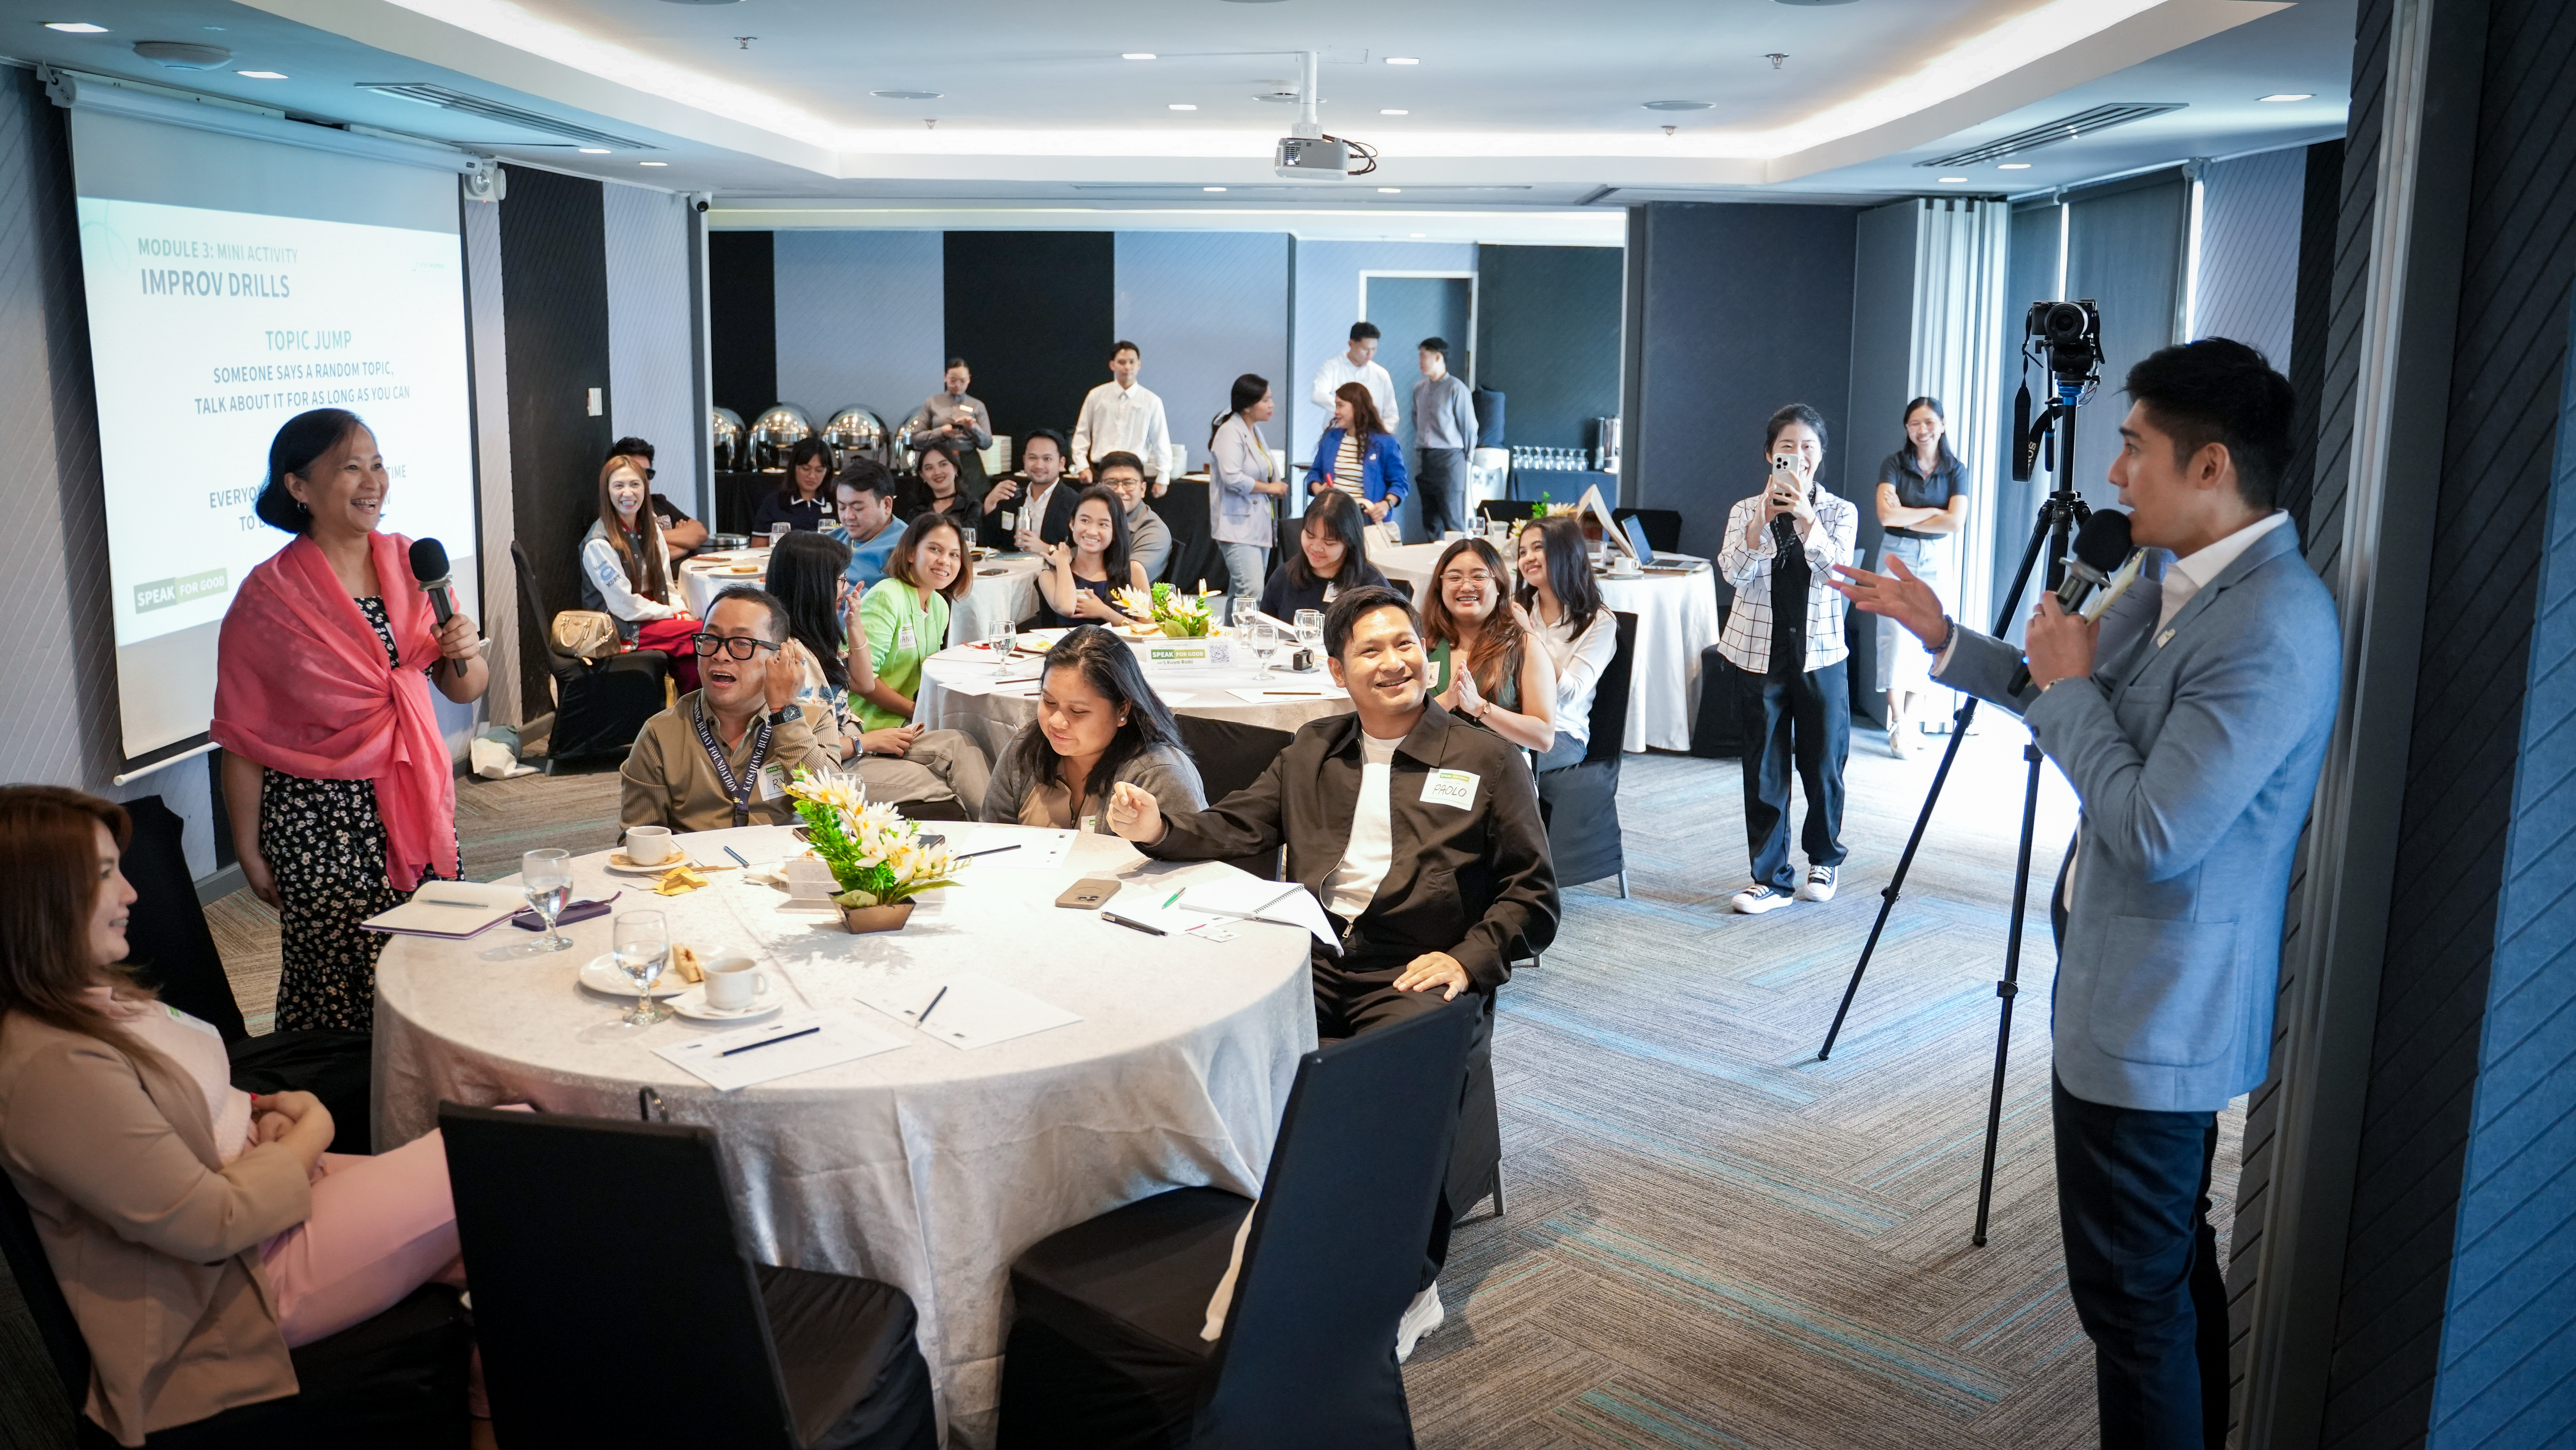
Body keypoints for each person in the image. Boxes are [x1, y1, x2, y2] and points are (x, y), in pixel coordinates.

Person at [1831, 338, 2339, 1450]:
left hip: (2155, 1017)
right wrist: (1939, 635)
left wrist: (2064, 689)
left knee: (2128, 1301)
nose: (2110, 477)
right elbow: (2058, 684)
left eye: (2131, 448)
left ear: (2209, 466)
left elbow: (2154, 831)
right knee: (2159, 1274)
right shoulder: (2171, 582)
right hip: (2119, 988)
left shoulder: (2268, 625)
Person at [1104, 586, 1557, 1360]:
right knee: (1213, 1043)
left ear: (1429, 651)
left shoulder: (1483, 756)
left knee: (1390, 1106)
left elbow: (1535, 893)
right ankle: (1264, 1244)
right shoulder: (1313, 748)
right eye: (1372, 651)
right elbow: (1236, 824)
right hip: (1314, 955)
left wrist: (1465, 958)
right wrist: (1160, 829)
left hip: (1420, 969)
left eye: (1406, 643)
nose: (1395, 662)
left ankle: (1413, 1285)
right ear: (1339, 669)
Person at [0, 786, 488, 1448]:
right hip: (231, 1287)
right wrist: (311, 1121)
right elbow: (211, 1222)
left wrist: (260, 1110)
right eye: (105, 873)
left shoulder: (86, 997)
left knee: (514, 1227)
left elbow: (180, 1094)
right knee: (509, 1168)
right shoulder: (49, 1067)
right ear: (37, 901)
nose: (132, 894)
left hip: (267, 1201)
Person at [212, 409, 489, 1034]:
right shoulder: (269, 596)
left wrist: (462, 650)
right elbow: (244, 739)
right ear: (299, 487)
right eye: (350, 466)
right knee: (339, 980)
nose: (373, 480)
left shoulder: (411, 564)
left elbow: (464, 687)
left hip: (412, 800)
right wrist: (249, 849)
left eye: (378, 462)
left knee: (432, 958)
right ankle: (339, 1112)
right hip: (317, 817)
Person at [1715, 403, 1859, 914]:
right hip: (1757, 654)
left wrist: (1805, 519)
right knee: (1763, 769)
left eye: (1808, 448)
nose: (1798, 456)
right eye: (1787, 448)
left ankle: (1824, 858)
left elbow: (1837, 571)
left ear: (1820, 456)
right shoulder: (1744, 511)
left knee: (1824, 764)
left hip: (1821, 655)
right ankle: (1770, 880)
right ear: (1769, 455)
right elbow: (1734, 573)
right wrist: (1763, 522)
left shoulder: (1840, 512)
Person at [767, 531, 990, 811]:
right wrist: (868, 741)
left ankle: (1004, 829)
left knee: (961, 743)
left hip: (856, 744)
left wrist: (854, 625)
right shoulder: (791, 656)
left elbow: (863, 682)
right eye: (839, 580)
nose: (845, 589)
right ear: (814, 584)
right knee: (942, 789)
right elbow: (808, 751)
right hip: (837, 766)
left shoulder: (816, 636)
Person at [619, 587, 836, 831]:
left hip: (784, 866)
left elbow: (835, 807)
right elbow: (638, 839)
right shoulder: (661, 734)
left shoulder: (815, 722)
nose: (721, 655)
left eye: (742, 643)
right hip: (694, 867)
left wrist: (785, 712)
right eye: (710, 639)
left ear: (781, 655)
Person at [982, 625, 1205, 831]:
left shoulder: (1159, 775)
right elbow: (992, 839)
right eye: (1049, 702)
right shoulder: (1028, 749)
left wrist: (1158, 834)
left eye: (1078, 711)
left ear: (1122, 709)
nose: (1056, 722)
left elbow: (1193, 867)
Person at [1874, 397, 1971, 756]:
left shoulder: (1955, 469)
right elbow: (1887, 518)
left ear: (1942, 425)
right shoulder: (1894, 465)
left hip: (1936, 556)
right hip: (1897, 553)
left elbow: (1956, 522)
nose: (1923, 429)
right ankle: (1898, 722)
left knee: (1932, 633)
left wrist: (1910, 512)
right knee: (1894, 635)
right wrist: (1935, 510)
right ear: (1907, 428)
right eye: (1915, 423)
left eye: (1929, 422)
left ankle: (1911, 721)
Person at [1422, 537, 1557, 753]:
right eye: (1454, 578)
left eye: (1479, 577)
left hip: (1498, 773)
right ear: (1440, 588)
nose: (1466, 587)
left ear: (1499, 588)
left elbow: (1543, 738)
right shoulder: (1421, 645)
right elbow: (1397, 725)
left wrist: (1479, 707)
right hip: (1430, 767)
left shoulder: (1524, 646)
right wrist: (1446, 701)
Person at [580, 452, 701, 692]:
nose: (628, 493)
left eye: (635, 484)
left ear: (645, 488)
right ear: (607, 492)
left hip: (649, 615)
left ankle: (695, 717)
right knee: (702, 634)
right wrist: (670, 614)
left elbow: (667, 584)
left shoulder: (651, 529)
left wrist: (682, 612)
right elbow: (623, 605)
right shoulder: (598, 542)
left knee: (693, 656)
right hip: (619, 626)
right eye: (619, 486)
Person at [1514, 516, 1617, 771]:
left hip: (1563, 733)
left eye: (1538, 548)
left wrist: (1529, 635)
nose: (1528, 558)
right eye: (1522, 552)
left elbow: (1571, 693)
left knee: (1500, 765)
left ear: (1566, 551)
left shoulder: (1600, 621)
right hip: (1512, 721)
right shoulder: (1517, 606)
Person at [1209, 372, 1291, 625]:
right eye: (1266, 400)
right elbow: (1232, 477)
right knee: (1252, 591)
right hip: (1237, 526)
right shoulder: (1229, 432)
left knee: (1240, 593)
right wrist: (1270, 489)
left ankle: (1228, 641)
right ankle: (1243, 642)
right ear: (1248, 405)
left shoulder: (1252, 430)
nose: (1272, 405)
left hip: (1258, 525)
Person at [1259, 490, 1391, 621]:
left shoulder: (1371, 587)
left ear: (1350, 543)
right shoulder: (1285, 576)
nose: (1316, 548)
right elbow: (1264, 631)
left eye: (1329, 543)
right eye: (1310, 536)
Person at [1037, 485, 1150, 628]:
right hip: (1071, 650)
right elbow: (1067, 608)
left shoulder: (1134, 571)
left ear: (1115, 532)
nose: (1091, 531)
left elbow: (1151, 631)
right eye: (1085, 521)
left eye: (1103, 524)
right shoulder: (1051, 575)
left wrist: (1104, 612)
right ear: (1072, 523)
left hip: (1122, 650)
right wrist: (1063, 563)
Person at [1069, 340, 1173, 493]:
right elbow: (1082, 433)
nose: (1127, 367)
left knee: (1131, 515)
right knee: (1103, 513)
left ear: (1139, 365)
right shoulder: (1096, 396)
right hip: (1101, 470)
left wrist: (1164, 476)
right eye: (1122, 362)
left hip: (1134, 472)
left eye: (1132, 362)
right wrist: (1082, 466)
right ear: (1113, 365)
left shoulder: (1152, 401)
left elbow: (1160, 440)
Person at [1308, 382, 1409, 529]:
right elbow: (1315, 473)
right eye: (1336, 406)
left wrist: (1387, 504)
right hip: (1331, 517)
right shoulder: (1331, 438)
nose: (1336, 412)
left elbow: (1400, 483)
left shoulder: (1386, 443)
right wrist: (1317, 488)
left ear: (1357, 407)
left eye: (1341, 406)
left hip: (1366, 520)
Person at [1412, 338, 1477, 540]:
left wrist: (1466, 457)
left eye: (1424, 356)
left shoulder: (1456, 388)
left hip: (1450, 458)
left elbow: (1469, 427)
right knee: (1430, 519)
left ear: (1439, 357)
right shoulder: (1419, 389)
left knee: (1452, 519)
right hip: (1425, 457)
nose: (1420, 361)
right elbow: (1417, 420)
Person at [606, 435, 708, 564]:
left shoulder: (658, 502)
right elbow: (639, 557)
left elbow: (700, 533)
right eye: (635, 473)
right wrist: (685, 544)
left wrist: (649, 538)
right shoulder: (614, 513)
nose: (642, 480)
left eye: (647, 474)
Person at [982, 428, 1078, 554]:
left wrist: (1048, 549)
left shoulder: (1074, 502)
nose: (1039, 465)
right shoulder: (1011, 496)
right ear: (1024, 461)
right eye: (1033, 458)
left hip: (1053, 571)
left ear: (1062, 463)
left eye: (1047, 459)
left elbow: (1080, 552)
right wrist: (990, 505)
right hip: (1012, 569)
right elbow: (989, 543)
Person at [824, 457, 908, 591]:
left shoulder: (906, 548)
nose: (848, 517)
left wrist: (833, 590)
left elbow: (897, 604)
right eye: (842, 508)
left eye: (858, 508)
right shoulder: (834, 539)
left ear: (887, 505)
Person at [1095, 451, 1171, 585]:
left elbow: (1125, 579)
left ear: (1143, 489)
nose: (1120, 490)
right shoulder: (1093, 519)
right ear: (1099, 488)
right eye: (1111, 483)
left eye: (1128, 483)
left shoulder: (1154, 532)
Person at [1309, 320, 1398, 433]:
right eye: (1365, 349)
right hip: (1337, 433)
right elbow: (1318, 395)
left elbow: (1391, 414)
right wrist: (1348, 409)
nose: (1370, 355)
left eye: (1374, 349)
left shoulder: (1381, 374)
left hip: (1371, 436)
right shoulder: (1332, 367)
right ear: (1351, 344)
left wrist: (1382, 434)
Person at [899, 357, 992, 460]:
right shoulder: (932, 402)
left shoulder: (977, 405)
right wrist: (942, 433)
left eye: (963, 381)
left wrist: (974, 428)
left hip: (968, 461)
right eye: (953, 381)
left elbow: (987, 444)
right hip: (939, 458)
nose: (958, 385)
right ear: (945, 377)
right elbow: (916, 438)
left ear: (969, 379)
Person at [750, 437, 834, 537]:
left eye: (819, 470)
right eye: (806, 469)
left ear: (827, 472)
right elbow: (758, 549)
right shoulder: (775, 503)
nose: (812, 476)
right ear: (794, 468)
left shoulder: (838, 503)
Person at [898, 434, 978, 527]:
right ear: (922, 475)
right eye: (929, 468)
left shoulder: (971, 507)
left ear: (955, 469)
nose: (937, 472)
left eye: (943, 465)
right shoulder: (917, 512)